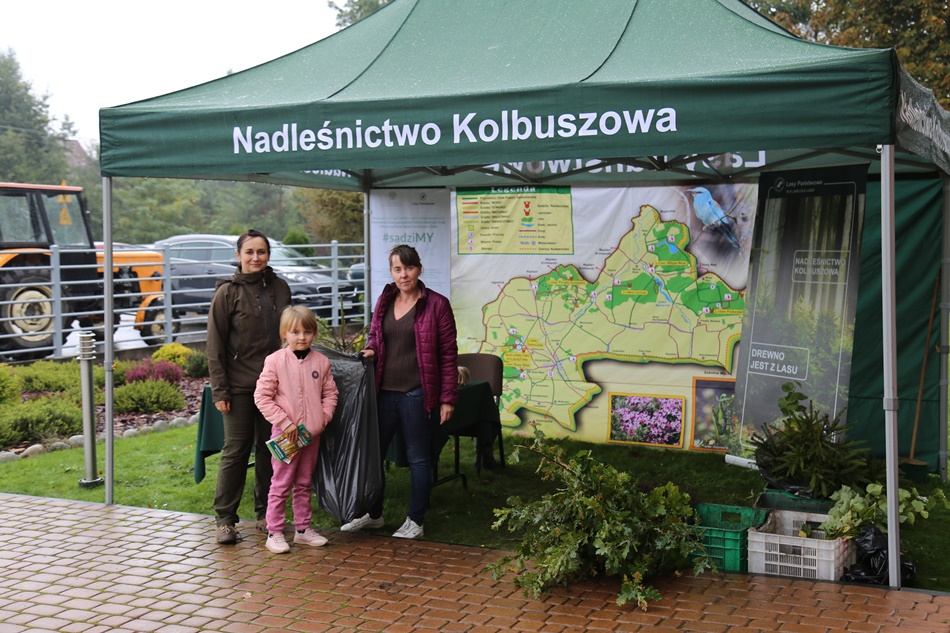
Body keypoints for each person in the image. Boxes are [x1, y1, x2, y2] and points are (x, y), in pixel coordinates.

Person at [341, 244, 458, 540]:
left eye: (408, 268)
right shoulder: (385, 298)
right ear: (391, 271)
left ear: (419, 269)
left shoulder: (437, 305)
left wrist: (447, 398)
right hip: (383, 392)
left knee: (418, 457)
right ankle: (374, 514)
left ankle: (415, 520)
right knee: (373, 455)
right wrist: (370, 348)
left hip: (416, 393)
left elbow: (447, 354)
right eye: (397, 269)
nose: (403, 274)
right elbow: (376, 335)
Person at [207, 229, 291, 545]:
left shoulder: (281, 288)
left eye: (262, 252)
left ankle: (265, 515)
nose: (256, 258)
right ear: (239, 255)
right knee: (236, 452)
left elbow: (290, 334)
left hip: (275, 388)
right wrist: (220, 390)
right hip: (240, 387)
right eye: (250, 252)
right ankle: (225, 520)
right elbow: (214, 346)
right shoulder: (227, 294)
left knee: (272, 451)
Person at [254, 306, 339, 553]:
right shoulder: (275, 361)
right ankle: (275, 532)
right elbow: (262, 397)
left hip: (311, 436)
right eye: (295, 332)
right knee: (281, 483)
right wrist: (285, 423)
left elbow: (330, 393)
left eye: (307, 331)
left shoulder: (321, 362)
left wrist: (322, 419)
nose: (301, 337)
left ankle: (302, 530)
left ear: (314, 333)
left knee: (304, 483)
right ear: (285, 334)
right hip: (285, 437)